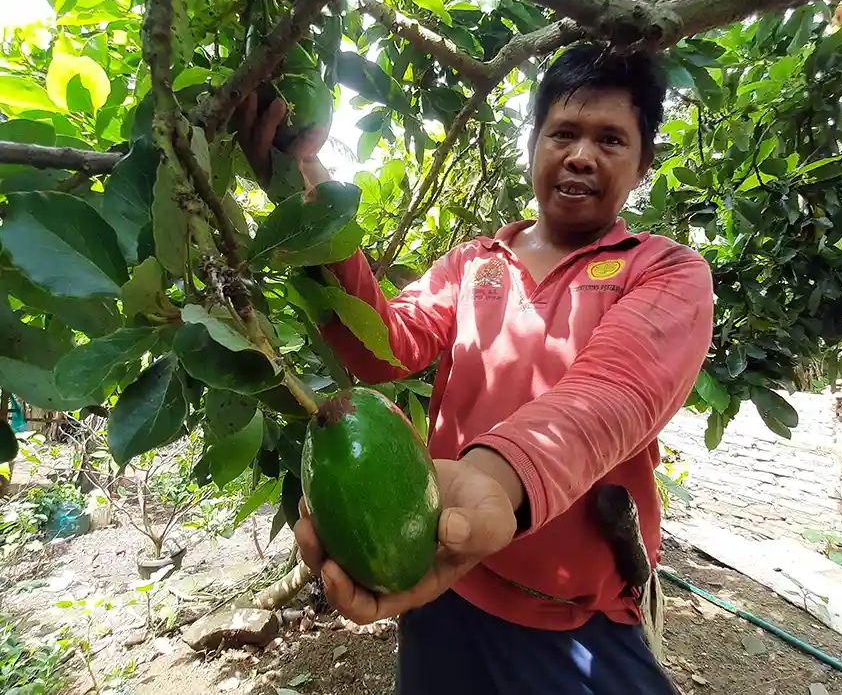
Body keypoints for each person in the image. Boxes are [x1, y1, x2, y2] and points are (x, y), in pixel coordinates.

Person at [236, 43, 714, 694]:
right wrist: (306, 191)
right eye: (564, 133)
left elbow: (617, 389)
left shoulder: (664, 269)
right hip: (444, 587)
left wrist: (496, 474)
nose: (581, 155)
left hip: (576, 622)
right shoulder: (472, 264)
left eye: (610, 139)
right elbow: (383, 348)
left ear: (642, 163)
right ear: (533, 144)